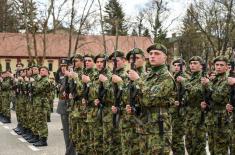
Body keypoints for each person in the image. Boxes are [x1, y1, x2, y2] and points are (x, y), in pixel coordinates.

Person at [128, 43, 176, 154]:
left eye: (157, 53)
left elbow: (151, 99)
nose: (152, 56)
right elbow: (141, 98)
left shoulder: (166, 77)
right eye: (150, 54)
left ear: (165, 57)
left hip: (158, 129)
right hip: (144, 125)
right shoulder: (147, 76)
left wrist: (138, 80)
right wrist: (134, 107)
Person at [201, 56, 230, 154]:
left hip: (221, 118)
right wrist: (205, 103)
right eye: (217, 65)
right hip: (211, 117)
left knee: (220, 149)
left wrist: (208, 84)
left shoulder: (227, 81)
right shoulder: (214, 80)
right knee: (212, 148)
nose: (218, 67)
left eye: (221, 65)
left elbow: (219, 97)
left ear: (226, 67)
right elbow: (210, 97)